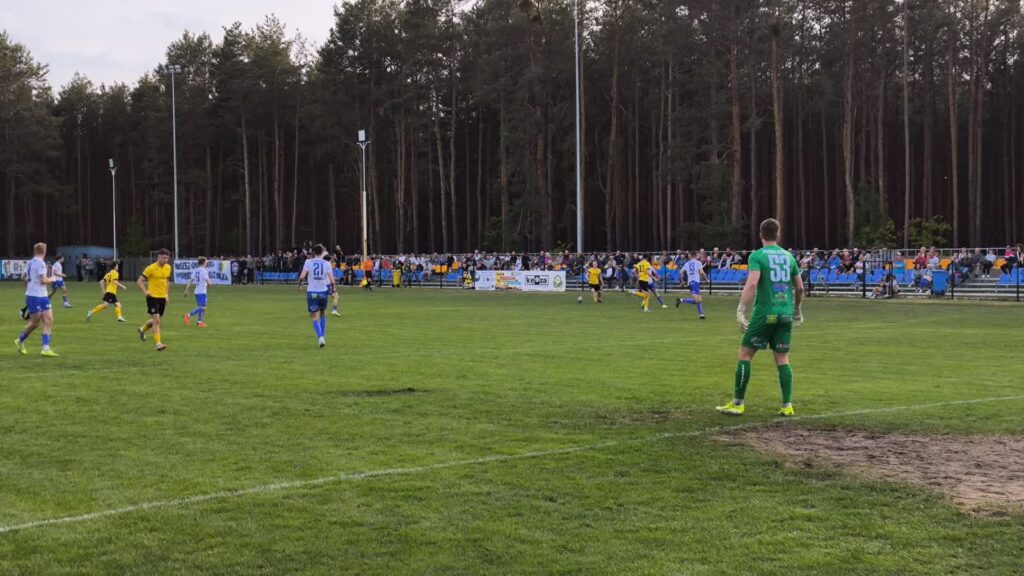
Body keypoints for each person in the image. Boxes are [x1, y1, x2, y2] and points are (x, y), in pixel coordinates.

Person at [718, 219, 804, 417]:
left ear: (760, 234)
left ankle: (738, 403)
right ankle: (787, 405)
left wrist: (741, 310)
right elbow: (799, 287)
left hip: (765, 312)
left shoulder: (757, 256)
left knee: (745, 354)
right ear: (779, 234)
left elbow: (751, 284)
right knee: (782, 358)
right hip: (785, 313)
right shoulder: (789, 256)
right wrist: (797, 310)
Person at [14, 243, 59, 357]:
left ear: (35, 251)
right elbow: (43, 280)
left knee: (48, 320)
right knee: (35, 323)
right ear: (44, 251)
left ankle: (45, 348)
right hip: (35, 296)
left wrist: (29, 284)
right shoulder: (40, 263)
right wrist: (53, 279)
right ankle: (19, 340)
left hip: (41, 296)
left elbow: (23, 277)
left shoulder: (30, 262)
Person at [299, 244, 335, 348]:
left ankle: (320, 337)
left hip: (312, 292)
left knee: (314, 316)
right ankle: (323, 336)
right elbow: (332, 281)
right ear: (322, 252)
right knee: (323, 313)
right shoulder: (327, 263)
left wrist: (300, 285)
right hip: (323, 291)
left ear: (313, 252)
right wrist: (333, 289)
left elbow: (302, 277)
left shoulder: (308, 262)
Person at [137, 249, 172, 352]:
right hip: (152, 297)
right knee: (156, 320)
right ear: (158, 257)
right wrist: (146, 292)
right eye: (163, 258)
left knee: (156, 320)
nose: (165, 260)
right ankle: (158, 344)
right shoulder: (151, 268)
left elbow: (167, 281)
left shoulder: (168, 268)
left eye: (167, 258)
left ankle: (142, 329)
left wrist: (166, 295)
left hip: (162, 297)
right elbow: (139, 281)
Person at [676, 252, 708, 319]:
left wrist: (682, 282)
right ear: (696, 256)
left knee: (699, 299)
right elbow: (702, 272)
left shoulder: (687, 263)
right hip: (695, 282)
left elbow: (680, 273)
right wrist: (707, 279)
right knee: (697, 300)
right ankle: (681, 300)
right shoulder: (698, 262)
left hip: (690, 282)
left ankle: (701, 315)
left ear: (691, 256)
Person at [183, 257, 211, 328]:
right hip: (201, 292)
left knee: (202, 307)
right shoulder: (204, 271)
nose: (207, 262)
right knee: (202, 307)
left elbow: (191, 281)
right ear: (204, 262)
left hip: (197, 291)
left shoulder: (196, 270)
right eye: (206, 261)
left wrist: (186, 290)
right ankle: (188, 315)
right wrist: (209, 285)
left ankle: (199, 322)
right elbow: (209, 282)